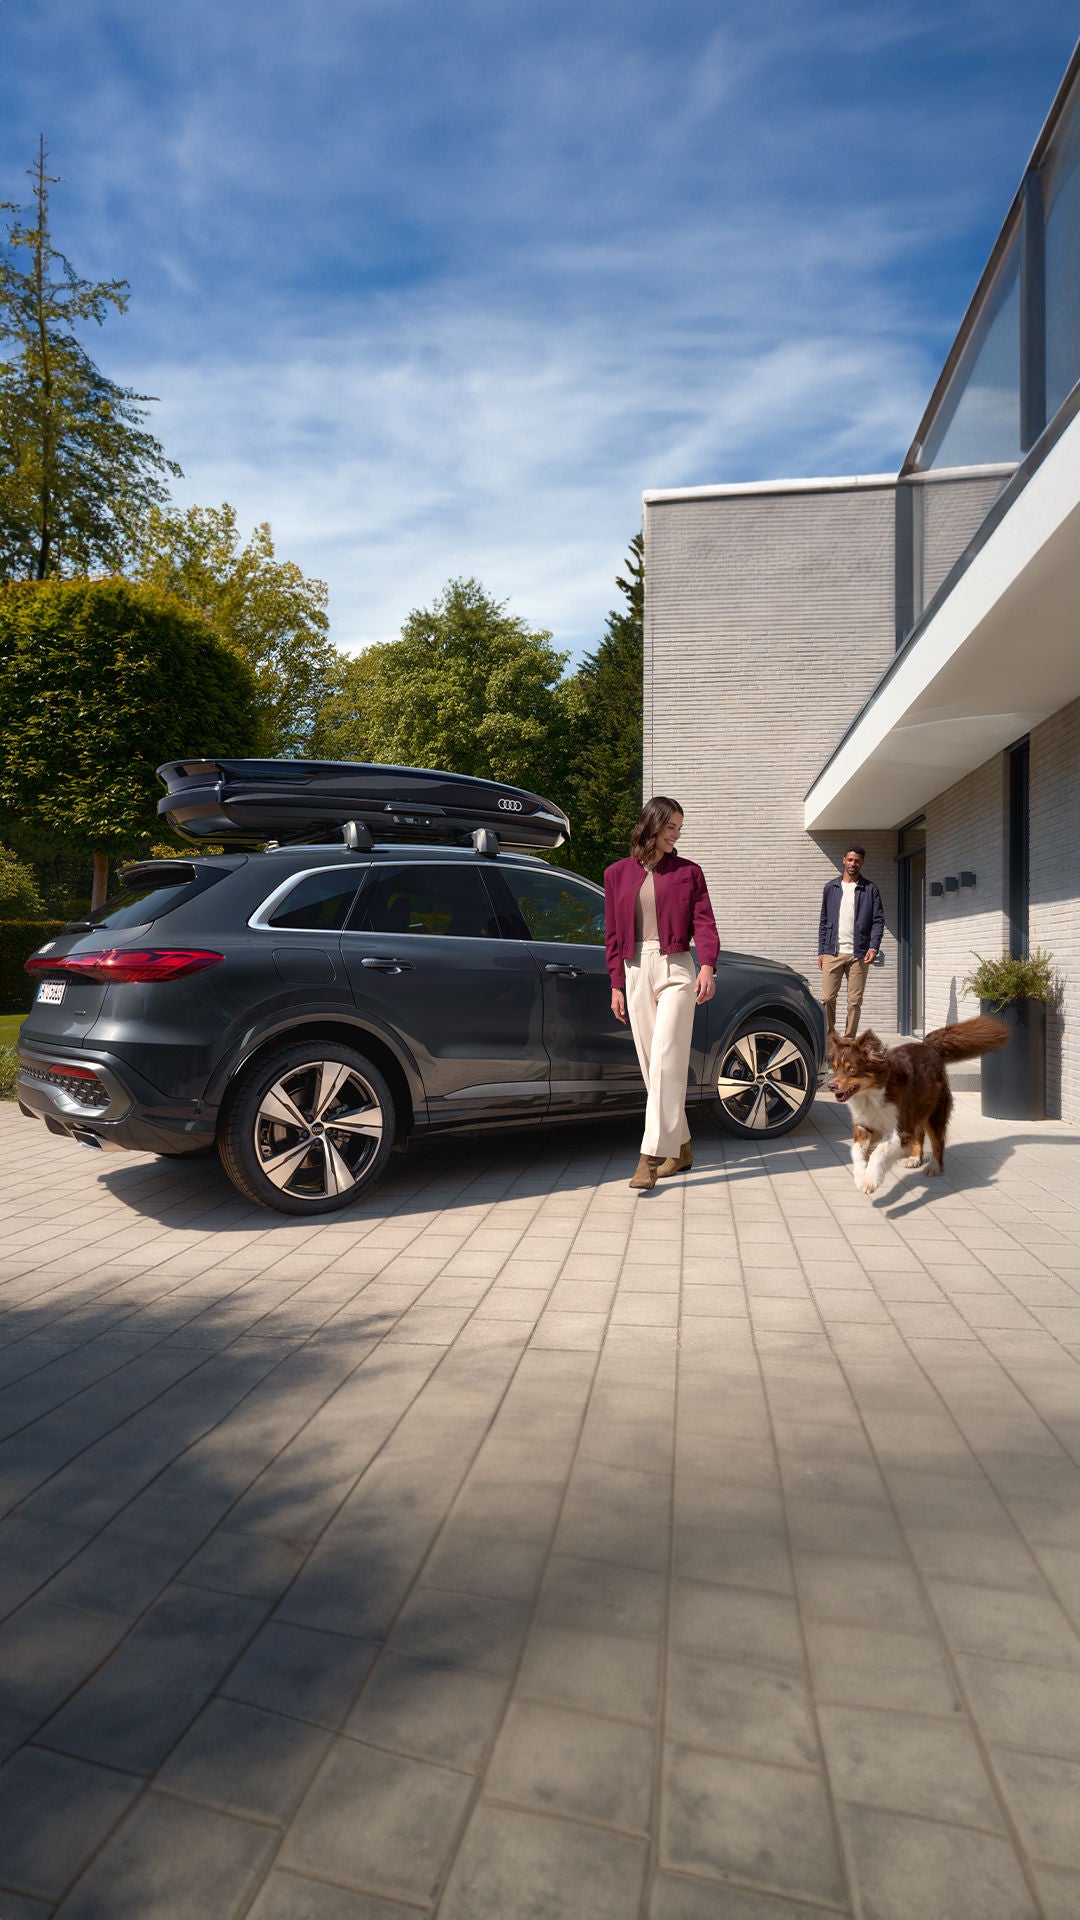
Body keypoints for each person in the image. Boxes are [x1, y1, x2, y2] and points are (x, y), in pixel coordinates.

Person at [604, 796, 719, 1192]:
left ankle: (649, 1157)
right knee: (653, 1066)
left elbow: (704, 922)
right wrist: (616, 983)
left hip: (677, 968)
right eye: (672, 827)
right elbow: (612, 935)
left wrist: (707, 965)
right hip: (635, 969)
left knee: (667, 1060)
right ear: (652, 825)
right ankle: (682, 1148)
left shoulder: (689, 872)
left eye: (679, 829)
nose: (677, 835)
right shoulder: (616, 874)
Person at [817, 845, 884, 1037]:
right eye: (850, 859)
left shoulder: (870, 889)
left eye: (857, 861)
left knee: (854, 1002)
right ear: (844, 860)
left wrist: (873, 947)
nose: (853, 863)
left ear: (862, 863)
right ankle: (830, 1038)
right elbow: (824, 921)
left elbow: (878, 921)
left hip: (859, 954)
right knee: (827, 998)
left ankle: (848, 1041)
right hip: (832, 952)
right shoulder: (831, 888)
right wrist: (822, 950)